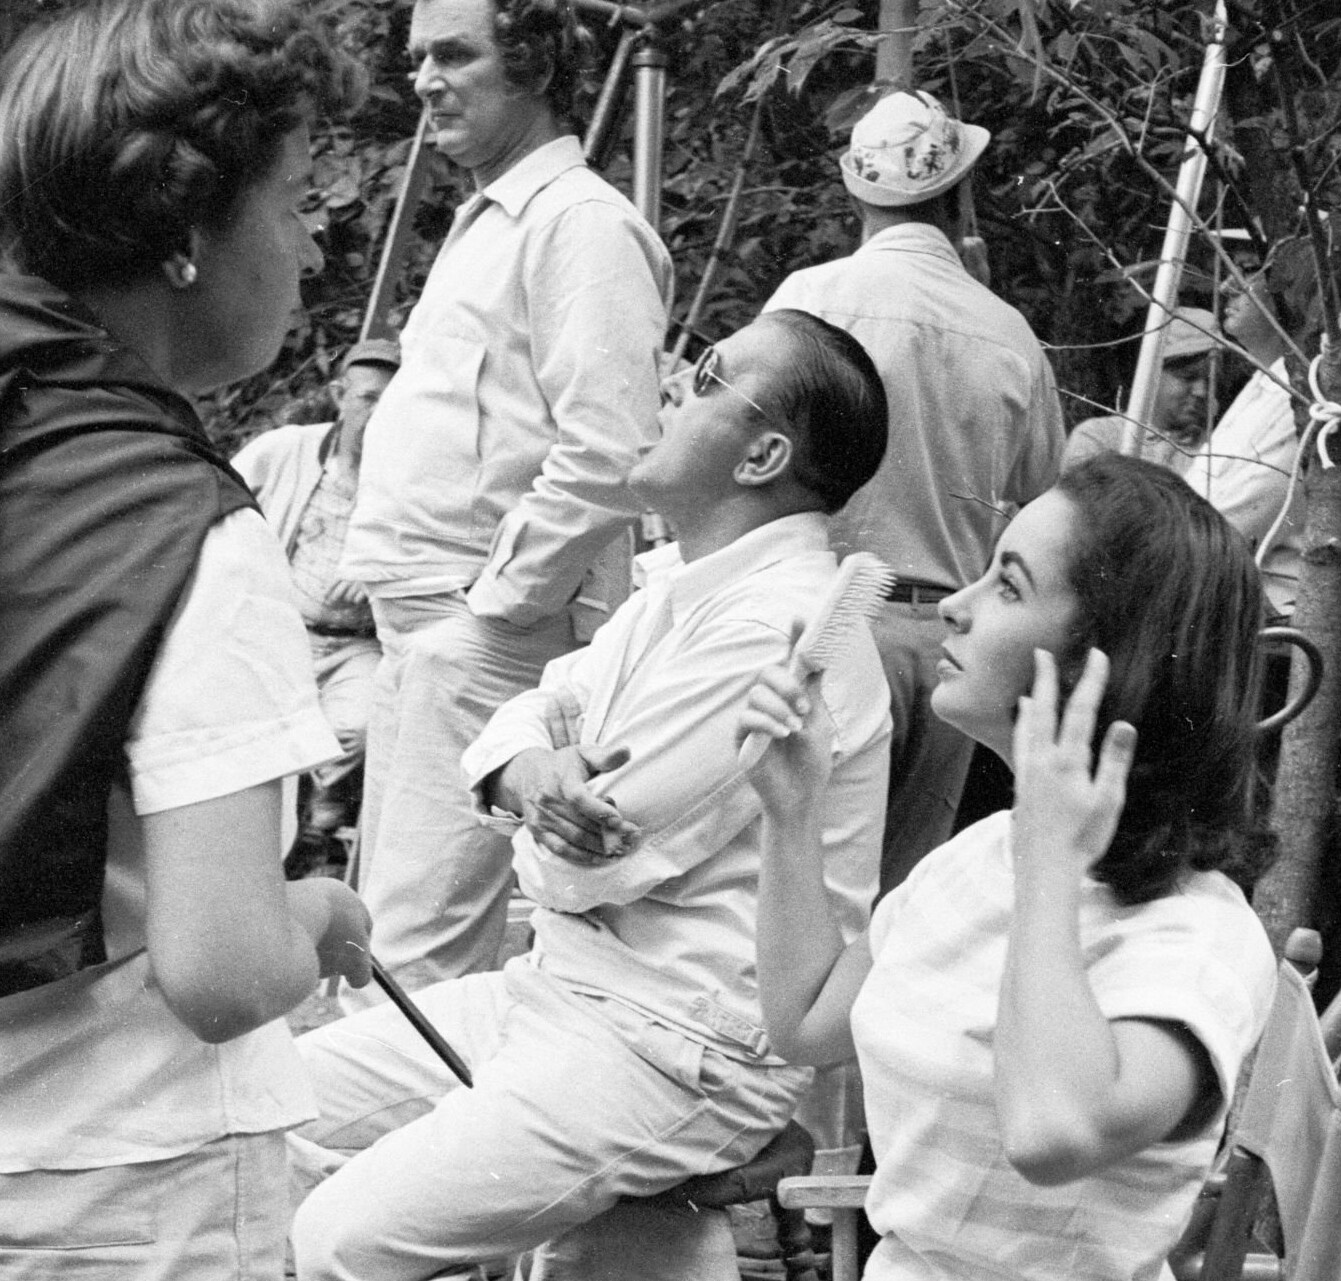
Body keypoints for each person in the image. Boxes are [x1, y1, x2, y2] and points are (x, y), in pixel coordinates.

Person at [287, 310, 892, 1281]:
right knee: (261, 1105)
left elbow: (585, 868)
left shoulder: (775, 628)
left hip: (672, 1049)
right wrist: (530, 773)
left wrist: (531, 796)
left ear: (762, 456)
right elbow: (537, 710)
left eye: (705, 375)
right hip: (556, 993)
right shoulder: (684, 589)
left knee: (336, 1240)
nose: (670, 383)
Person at [0, 3, 373, 1277]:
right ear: (182, 234)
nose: (310, 249)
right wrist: (316, 911)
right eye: (294, 202)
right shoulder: (184, 526)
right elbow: (218, 969)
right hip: (119, 1184)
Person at [741, 453, 1279, 1281]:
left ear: (1108, 661)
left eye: (1008, 584)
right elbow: (807, 1021)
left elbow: (1052, 1132)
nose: (953, 604)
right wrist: (791, 810)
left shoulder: (1199, 939)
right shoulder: (981, 855)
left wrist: (1048, 867)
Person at [338, 0, 673, 995]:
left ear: (534, 65)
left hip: (482, 630)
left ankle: (396, 1101)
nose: (425, 80)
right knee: (380, 932)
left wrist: (498, 607)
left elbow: (611, 449)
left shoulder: (580, 224)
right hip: (427, 629)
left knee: (416, 950)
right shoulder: (493, 218)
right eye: (416, 58)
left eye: (454, 54)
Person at [762, 89, 1064, 898]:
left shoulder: (808, 298)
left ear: (856, 193)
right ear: (959, 193)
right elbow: (1041, 498)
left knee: (791, 872)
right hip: (944, 639)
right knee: (898, 897)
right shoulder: (1007, 331)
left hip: (824, 621)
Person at [233, 339, 400, 876]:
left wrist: (379, 572)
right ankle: (273, 840)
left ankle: (318, 828)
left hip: (359, 643)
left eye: (393, 401)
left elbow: (439, 552)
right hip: (284, 630)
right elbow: (216, 502)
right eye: (368, 398)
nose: (379, 412)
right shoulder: (287, 449)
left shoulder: (412, 475)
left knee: (362, 726)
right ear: (339, 395)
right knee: (260, 726)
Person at [1184, 270, 1302, 620]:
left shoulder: (1297, 394)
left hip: (1266, 620)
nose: (1227, 286)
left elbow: (1231, 525)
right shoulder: (1266, 380)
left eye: (1252, 272)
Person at [1062, 306, 1224, 472]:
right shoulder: (1100, 439)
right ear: (1151, 373)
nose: (1201, 391)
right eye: (1188, 377)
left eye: (1210, 381)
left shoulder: (1218, 452)